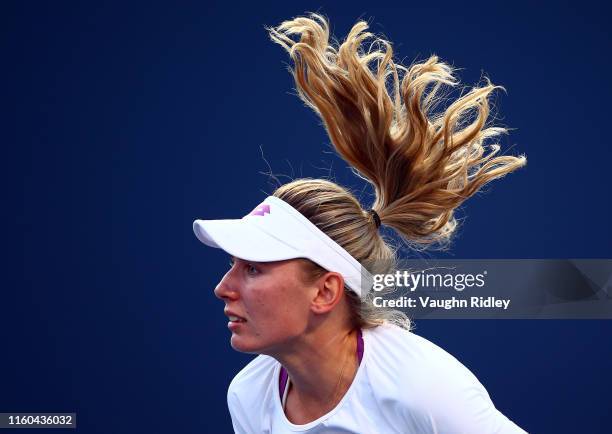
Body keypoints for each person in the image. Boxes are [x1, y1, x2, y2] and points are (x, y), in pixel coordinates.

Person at [192, 13, 528, 433]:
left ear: (325, 291)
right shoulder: (248, 396)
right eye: (234, 265)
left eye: (254, 268)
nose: (223, 287)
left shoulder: (423, 388)